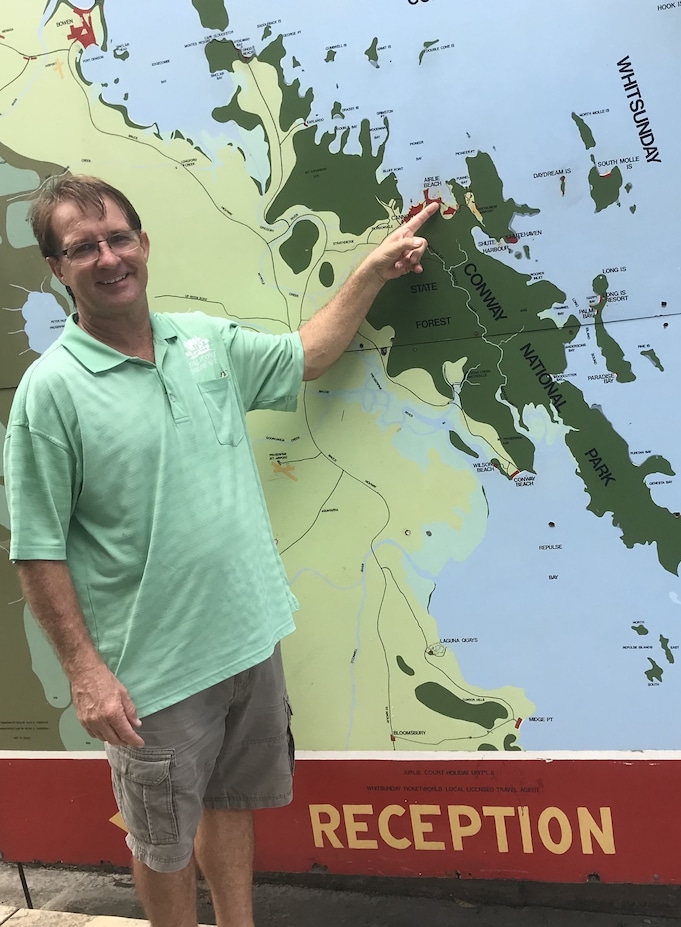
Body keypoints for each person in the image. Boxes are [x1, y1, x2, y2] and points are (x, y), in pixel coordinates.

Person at [3, 173, 438, 927]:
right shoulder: (52, 391)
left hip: (247, 640)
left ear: (144, 244)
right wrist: (86, 673)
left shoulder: (203, 342)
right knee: (162, 841)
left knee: (231, 804)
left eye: (118, 238)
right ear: (57, 268)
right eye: (83, 247)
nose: (108, 258)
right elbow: (36, 549)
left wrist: (371, 271)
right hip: (153, 676)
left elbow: (307, 355)